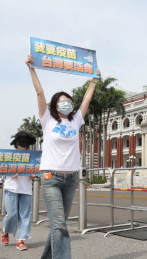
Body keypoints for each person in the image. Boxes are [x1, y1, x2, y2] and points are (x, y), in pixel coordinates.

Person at [25, 55, 99, 259]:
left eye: (69, 101)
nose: (66, 103)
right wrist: (32, 68)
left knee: (60, 225)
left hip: (70, 178)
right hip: (51, 177)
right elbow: (39, 92)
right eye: (62, 101)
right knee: (58, 225)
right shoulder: (47, 120)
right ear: (55, 106)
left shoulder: (76, 121)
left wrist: (93, 80)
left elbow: (87, 99)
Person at [1, 131, 37, 251]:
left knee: (25, 215)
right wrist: (11, 173)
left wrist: (33, 175)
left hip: (26, 188)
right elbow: (0, 170)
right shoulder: (8, 155)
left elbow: (36, 171)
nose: (24, 142)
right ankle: (5, 230)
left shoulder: (33, 156)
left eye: (26, 140)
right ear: (16, 142)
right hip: (11, 187)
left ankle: (20, 240)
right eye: (21, 140)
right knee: (11, 214)